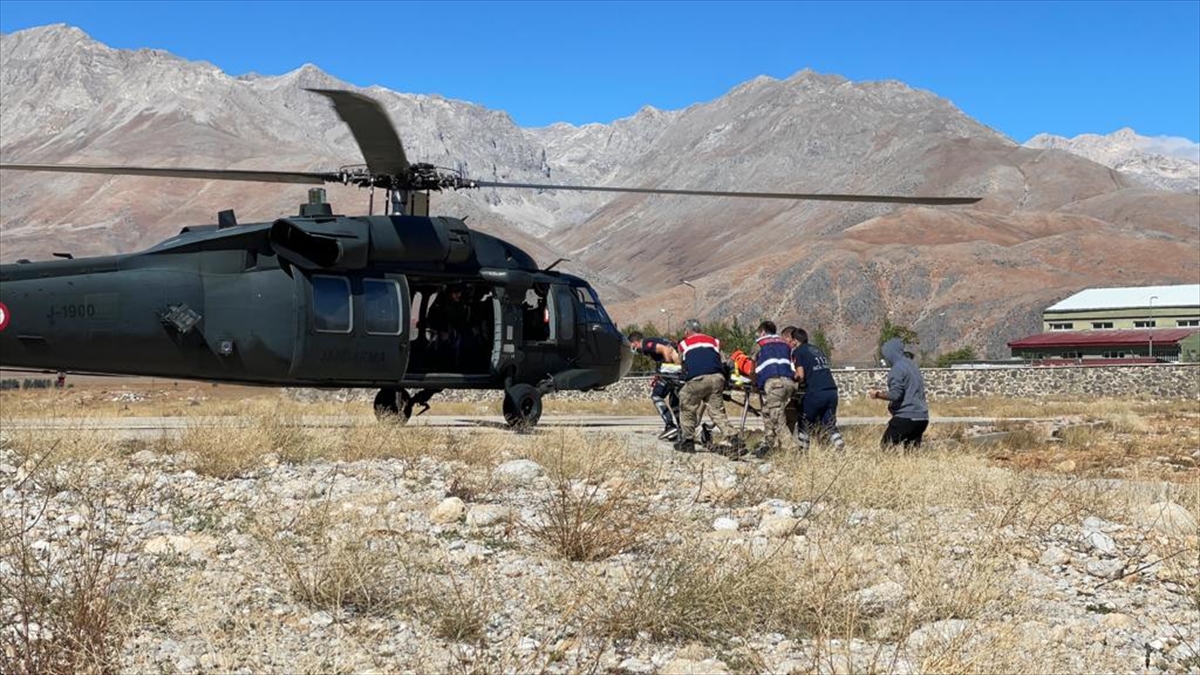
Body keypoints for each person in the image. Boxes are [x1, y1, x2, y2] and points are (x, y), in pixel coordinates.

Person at [675, 319, 738, 454]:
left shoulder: (683, 344)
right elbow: (722, 361)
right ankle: (734, 438)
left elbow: (682, 365)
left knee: (687, 406)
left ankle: (687, 441)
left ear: (687, 331)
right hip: (717, 378)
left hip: (697, 379)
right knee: (717, 411)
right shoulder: (714, 341)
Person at [783, 326, 845, 451]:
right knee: (829, 422)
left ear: (794, 340)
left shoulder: (798, 352)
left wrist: (790, 377)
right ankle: (839, 447)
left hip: (815, 392)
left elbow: (800, 375)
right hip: (831, 391)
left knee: (804, 421)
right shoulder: (817, 349)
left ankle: (803, 451)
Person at [751, 321, 800, 457]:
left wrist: (754, 384)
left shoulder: (759, 344)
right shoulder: (785, 343)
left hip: (774, 384)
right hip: (789, 383)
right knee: (767, 411)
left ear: (762, 332)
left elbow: (752, 368)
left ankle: (792, 449)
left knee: (777, 418)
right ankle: (769, 442)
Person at [869, 337, 929, 448]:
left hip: (906, 417)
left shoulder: (897, 369)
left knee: (887, 446)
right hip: (922, 418)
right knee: (912, 454)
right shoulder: (913, 366)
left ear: (889, 353)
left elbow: (895, 395)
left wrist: (877, 394)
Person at [627, 331, 684, 440]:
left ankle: (670, 425)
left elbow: (665, 349)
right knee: (674, 400)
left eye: (631, 345)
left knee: (657, 396)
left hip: (671, 371)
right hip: (679, 369)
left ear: (635, 342)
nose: (632, 348)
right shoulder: (653, 340)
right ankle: (681, 428)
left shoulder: (646, 344)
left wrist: (667, 367)